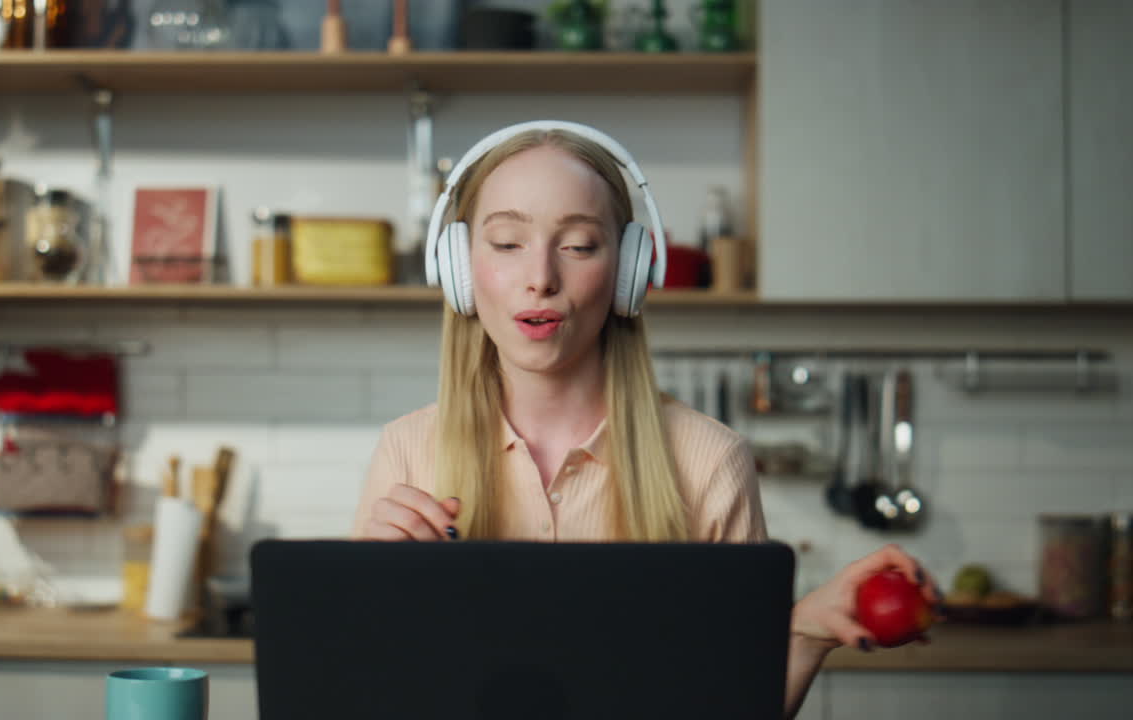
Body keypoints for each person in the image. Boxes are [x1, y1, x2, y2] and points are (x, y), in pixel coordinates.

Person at [353, 120, 941, 719]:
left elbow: (728, 707)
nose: (541, 279)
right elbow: (365, 692)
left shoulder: (709, 460)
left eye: (579, 246)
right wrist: (370, 605)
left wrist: (803, 632)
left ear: (628, 271)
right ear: (458, 265)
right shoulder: (408, 451)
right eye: (507, 243)